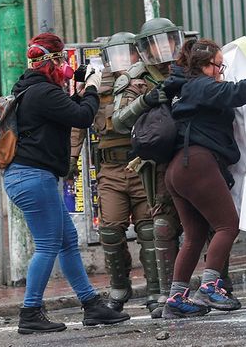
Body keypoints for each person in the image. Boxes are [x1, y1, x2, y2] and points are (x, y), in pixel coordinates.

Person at [6, 33, 130, 334]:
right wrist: (90, 87)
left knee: (66, 242)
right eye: (61, 59)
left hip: (30, 176)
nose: (64, 65)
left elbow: (64, 113)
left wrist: (78, 91)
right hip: (33, 177)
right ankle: (30, 312)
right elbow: (83, 116)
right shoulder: (43, 93)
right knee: (48, 245)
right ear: (51, 60)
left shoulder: (32, 89)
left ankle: (91, 306)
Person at [161, 38, 246, 319]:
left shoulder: (183, 88)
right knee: (228, 225)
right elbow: (238, 93)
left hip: (177, 168)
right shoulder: (200, 86)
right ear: (206, 66)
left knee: (193, 237)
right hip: (197, 163)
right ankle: (209, 285)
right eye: (220, 65)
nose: (222, 70)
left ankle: (176, 298)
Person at [70, 32, 159, 312]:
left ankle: (156, 289)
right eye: (116, 54)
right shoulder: (98, 84)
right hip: (110, 168)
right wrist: (69, 161)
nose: (123, 59)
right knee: (109, 230)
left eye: (128, 52)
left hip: (143, 166)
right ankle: (119, 287)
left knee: (149, 230)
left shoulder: (149, 78)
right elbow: (77, 122)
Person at [112, 17, 185, 318]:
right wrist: (146, 100)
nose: (163, 50)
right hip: (156, 163)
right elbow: (118, 121)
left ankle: (220, 285)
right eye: (156, 44)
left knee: (212, 224)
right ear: (143, 49)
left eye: (168, 42)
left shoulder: (188, 65)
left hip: (195, 153)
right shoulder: (134, 78)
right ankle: (168, 294)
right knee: (162, 227)